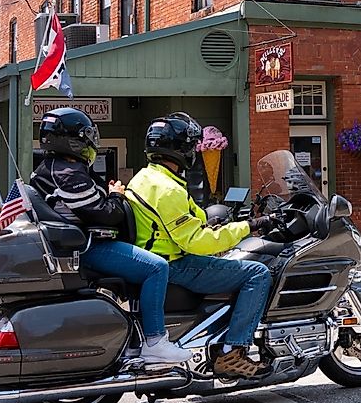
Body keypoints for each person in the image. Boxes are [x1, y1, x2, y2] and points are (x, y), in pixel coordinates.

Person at [30, 107, 191, 366]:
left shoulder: (47, 169)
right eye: (87, 136)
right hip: (89, 248)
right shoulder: (69, 174)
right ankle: (155, 342)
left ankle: (139, 333)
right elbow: (106, 214)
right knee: (156, 267)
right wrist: (116, 193)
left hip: (76, 244)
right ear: (75, 140)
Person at [127, 113, 274, 379]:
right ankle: (233, 350)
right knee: (257, 273)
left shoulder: (146, 178)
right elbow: (196, 242)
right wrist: (249, 227)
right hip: (176, 263)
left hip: (154, 257)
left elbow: (184, 217)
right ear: (180, 149)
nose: (194, 151)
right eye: (191, 145)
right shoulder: (168, 190)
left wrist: (214, 217)